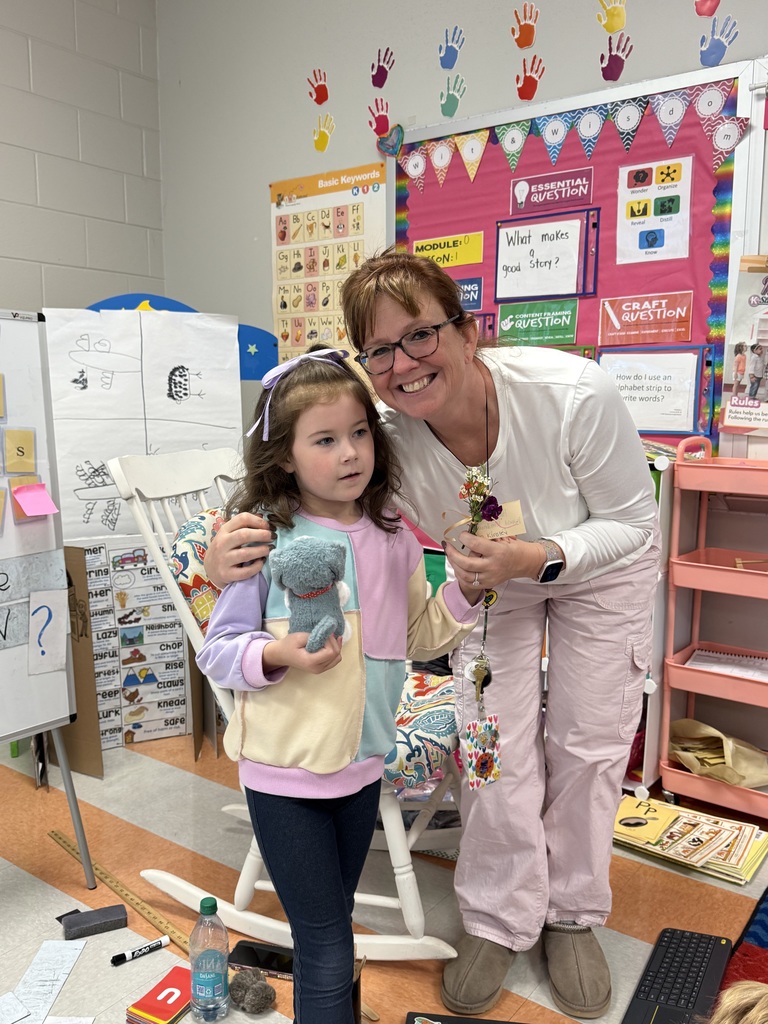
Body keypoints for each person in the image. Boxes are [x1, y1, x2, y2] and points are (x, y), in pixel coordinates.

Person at [203, 250, 661, 1019]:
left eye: (420, 335)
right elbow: (292, 483)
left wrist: (536, 556)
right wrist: (224, 558)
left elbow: (634, 522)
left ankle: (571, 913)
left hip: (598, 562)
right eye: (379, 350)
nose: (403, 364)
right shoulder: (382, 433)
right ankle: (498, 914)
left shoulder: (574, 394)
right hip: (486, 577)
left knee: (587, 745)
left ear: (468, 331)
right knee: (491, 745)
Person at [195, 345, 482, 1024]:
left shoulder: (394, 537)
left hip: (363, 767)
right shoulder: (263, 537)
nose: (350, 453)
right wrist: (278, 653)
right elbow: (219, 652)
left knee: (332, 923)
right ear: (285, 456)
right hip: (284, 774)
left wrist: (468, 592)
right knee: (326, 944)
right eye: (324, 440)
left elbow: (418, 636)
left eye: (359, 433)